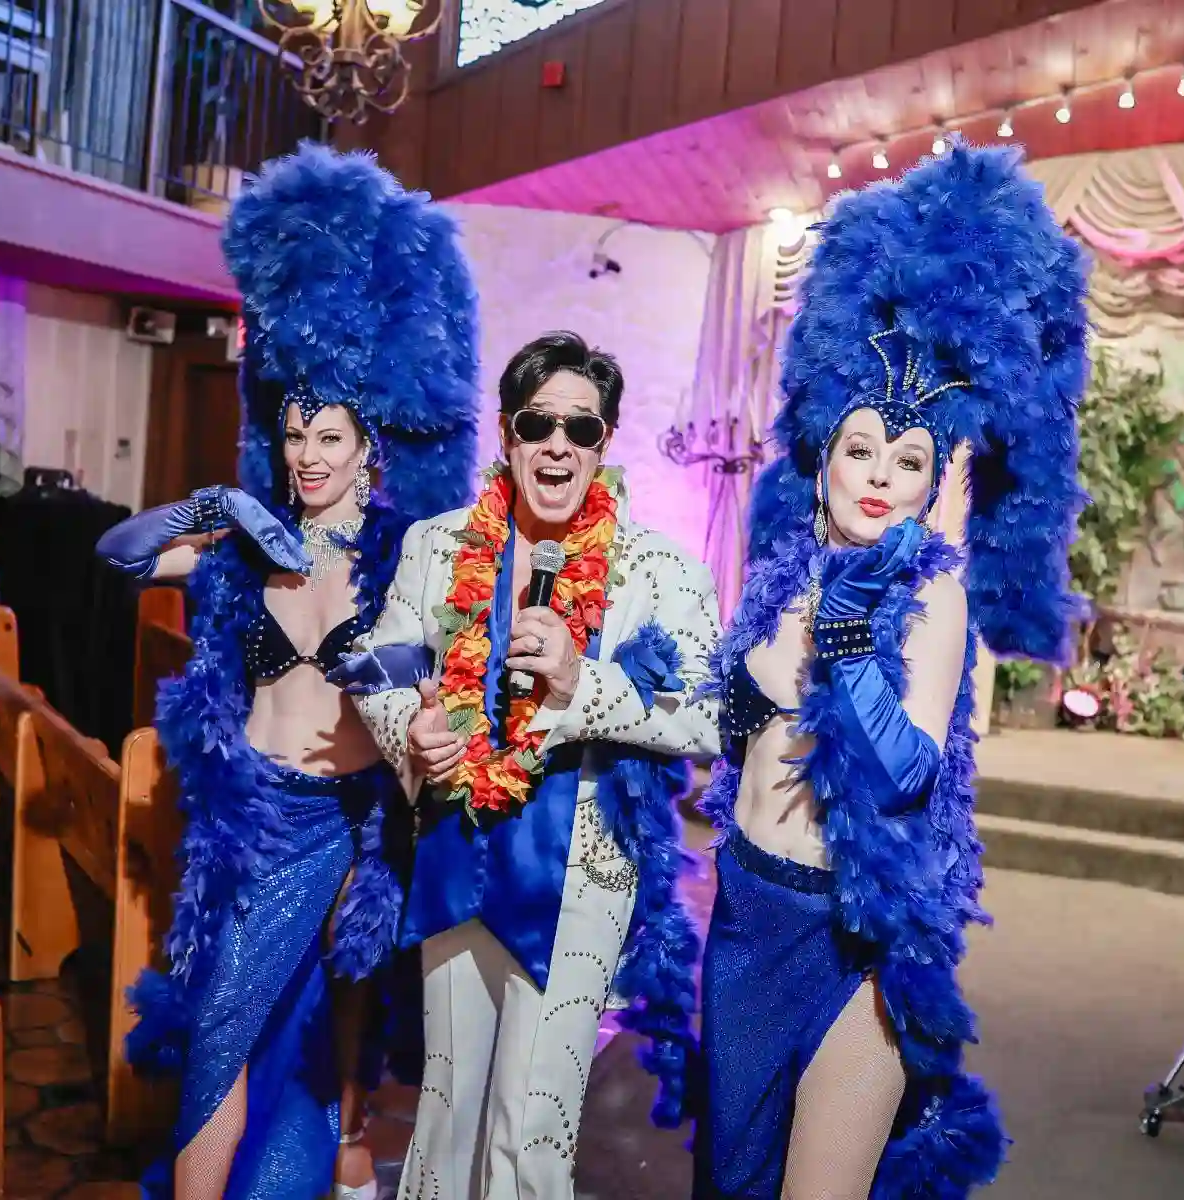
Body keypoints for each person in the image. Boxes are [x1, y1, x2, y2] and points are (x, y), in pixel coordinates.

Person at [692, 141, 1090, 1199]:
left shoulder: (931, 595)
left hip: (853, 934)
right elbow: (725, 730)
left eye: (907, 461)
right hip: (744, 913)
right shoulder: (777, 574)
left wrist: (845, 638)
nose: (879, 476)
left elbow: (908, 769)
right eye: (862, 449)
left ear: (931, 483)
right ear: (823, 453)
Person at [94, 143, 482, 1200]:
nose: (308, 453)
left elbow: (430, 677)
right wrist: (215, 508)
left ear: (368, 449)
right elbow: (122, 556)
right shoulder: (250, 546)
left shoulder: (405, 563)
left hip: (341, 823)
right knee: (226, 1036)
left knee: (294, 1031)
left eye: (330, 437)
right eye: (296, 433)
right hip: (247, 819)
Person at [340, 330, 722, 1200]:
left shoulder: (658, 571)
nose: (558, 445)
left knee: (533, 1129)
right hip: (456, 853)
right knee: (444, 1112)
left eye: (580, 428)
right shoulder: (439, 545)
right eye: (537, 423)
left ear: (604, 443)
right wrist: (411, 731)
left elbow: (708, 715)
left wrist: (583, 685)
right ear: (507, 433)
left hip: (581, 875)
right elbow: (381, 665)